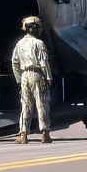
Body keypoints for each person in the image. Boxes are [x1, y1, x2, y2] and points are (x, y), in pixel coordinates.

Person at [12, 16, 54, 144]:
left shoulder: (19, 43)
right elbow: (44, 63)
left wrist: (19, 80)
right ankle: (45, 133)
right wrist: (49, 78)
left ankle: (23, 134)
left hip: (24, 76)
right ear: (34, 28)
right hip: (37, 75)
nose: (40, 30)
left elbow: (14, 62)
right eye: (39, 27)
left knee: (26, 105)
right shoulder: (39, 44)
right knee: (42, 104)